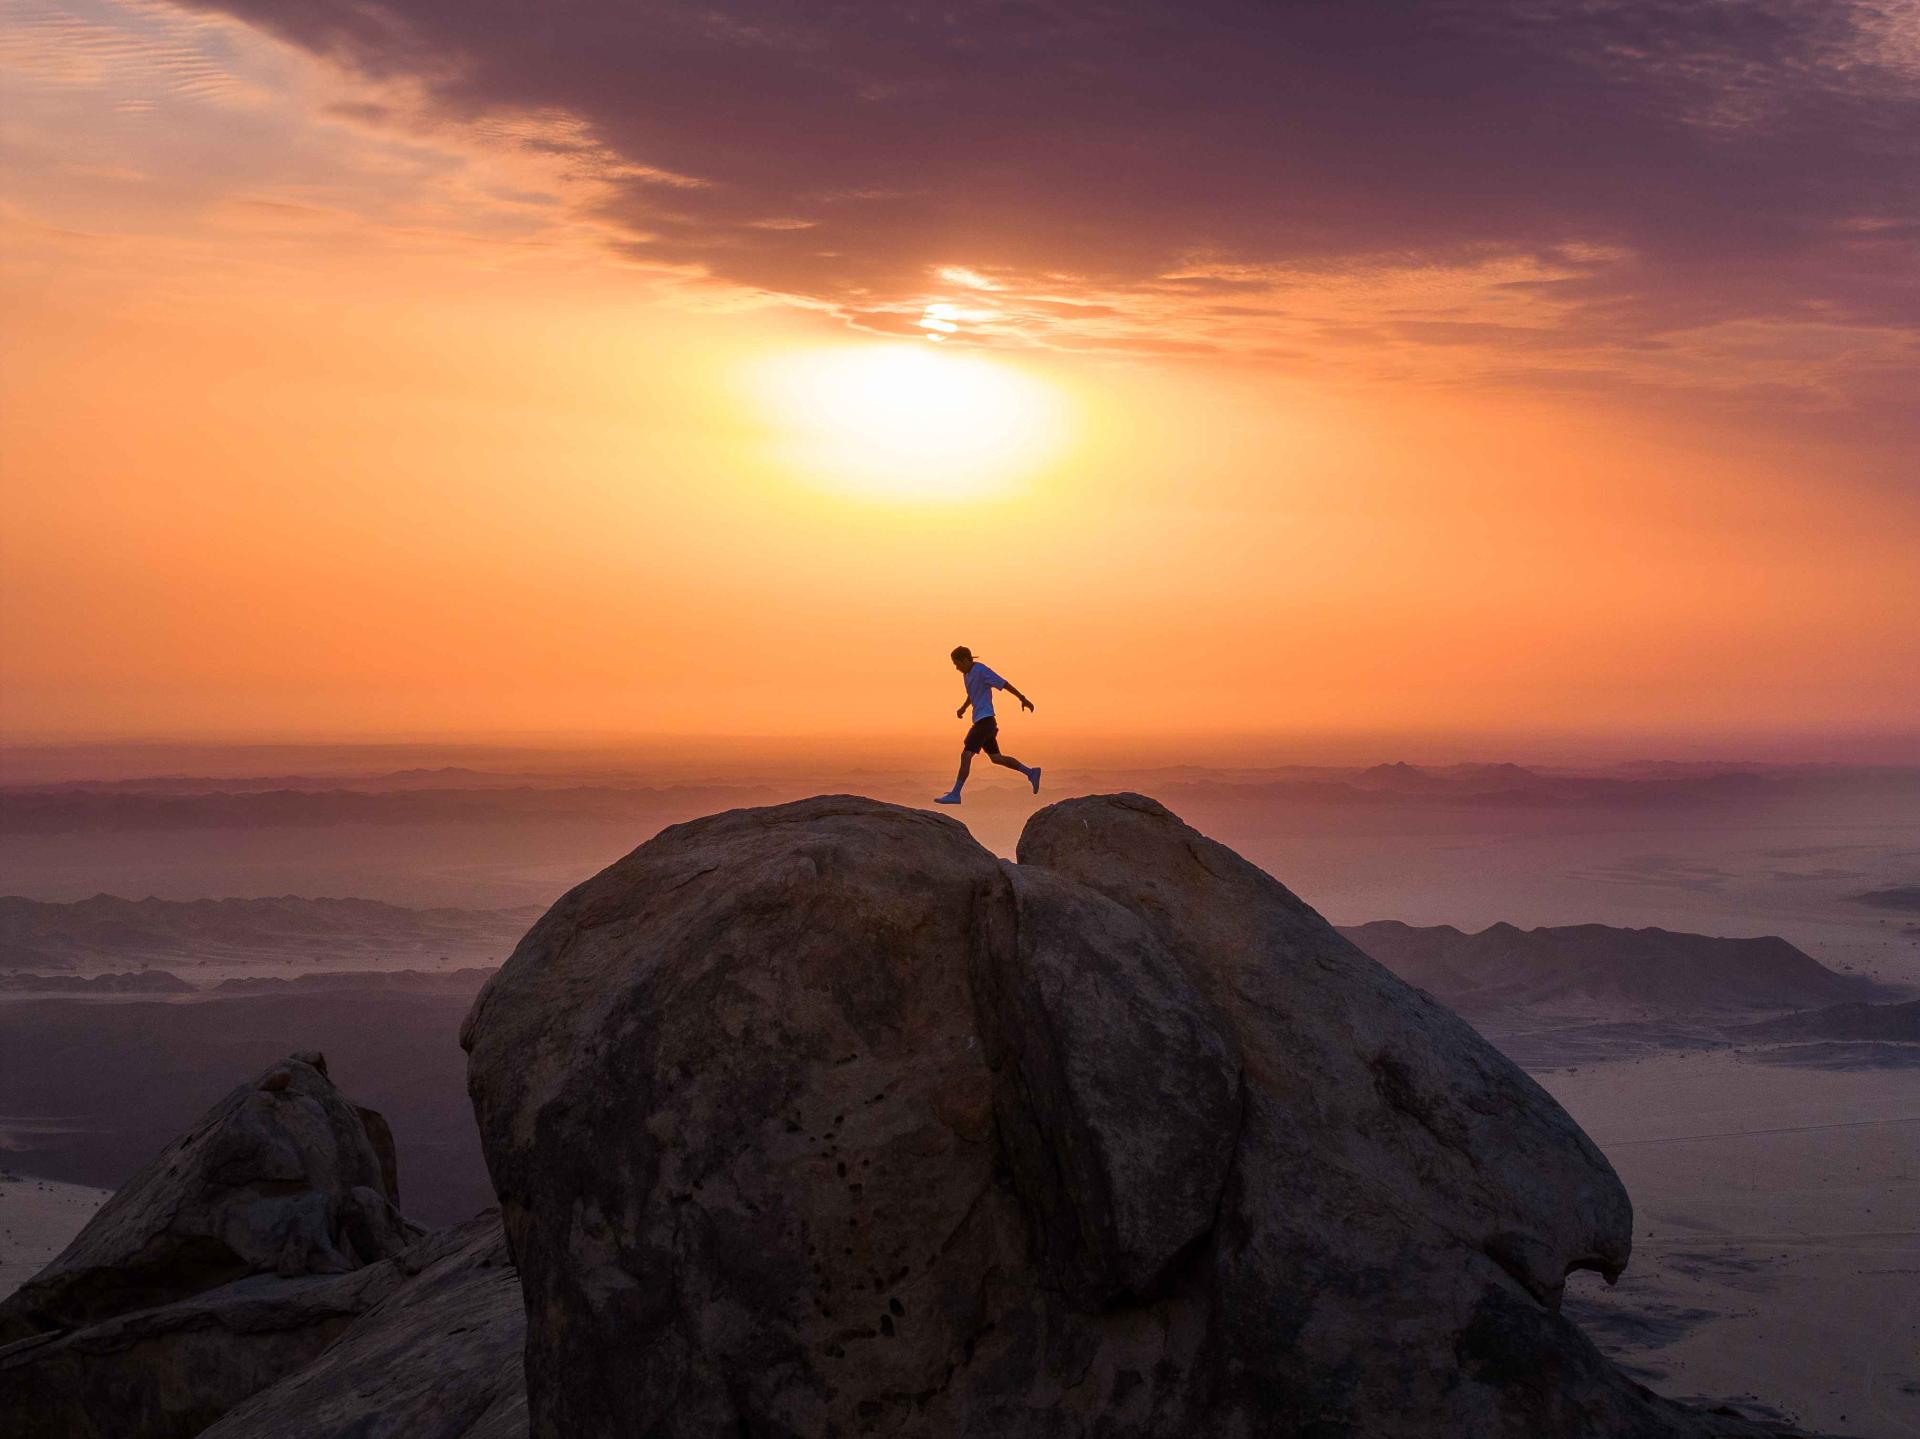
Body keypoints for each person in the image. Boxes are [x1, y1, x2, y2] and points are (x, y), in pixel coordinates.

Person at [936, 646, 1040, 805]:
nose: (957, 668)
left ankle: (956, 794)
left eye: (957, 664)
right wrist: (964, 707)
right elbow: (973, 694)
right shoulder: (967, 674)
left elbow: (1003, 683)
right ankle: (1031, 772)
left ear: (966, 660)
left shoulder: (981, 670)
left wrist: (1022, 698)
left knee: (966, 755)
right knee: (996, 758)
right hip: (984, 722)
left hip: (985, 722)